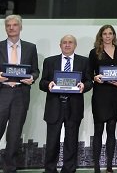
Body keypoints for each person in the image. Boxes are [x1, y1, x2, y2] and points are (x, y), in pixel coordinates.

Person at [40, 35, 93, 173]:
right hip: (54, 106)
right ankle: (50, 169)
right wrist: (48, 84)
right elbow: (42, 82)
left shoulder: (84, 61)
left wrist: (83, 86)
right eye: (64, 42)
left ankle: (69, 169)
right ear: (60, 45)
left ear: (75, 45)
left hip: (74, 106)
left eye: (70, 43)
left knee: (71, 141)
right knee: (52, 142)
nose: (67, 45)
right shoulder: (50, 61)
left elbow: (89, 82)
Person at [0, 15, 39, 173]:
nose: (11, 28)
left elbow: (35, 71)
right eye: (8, 25)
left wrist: (32, 77)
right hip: (2, 92)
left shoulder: (31, 47)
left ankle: (9, 167)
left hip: (21, 94)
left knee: (15, 134)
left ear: (20, 27)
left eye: (15, 25)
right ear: (5, 28)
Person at [89, 25, 117, 173]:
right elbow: (89, 74)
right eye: (105, 34)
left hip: (114, 93)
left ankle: (109, 166)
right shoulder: (94, 52)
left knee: (111, 130)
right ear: (101, 36)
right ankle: (97, 167)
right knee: (98, 130)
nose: (108, 36)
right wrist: (94, 77)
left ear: (114, 35)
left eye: (110, 33)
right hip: (100, 94)